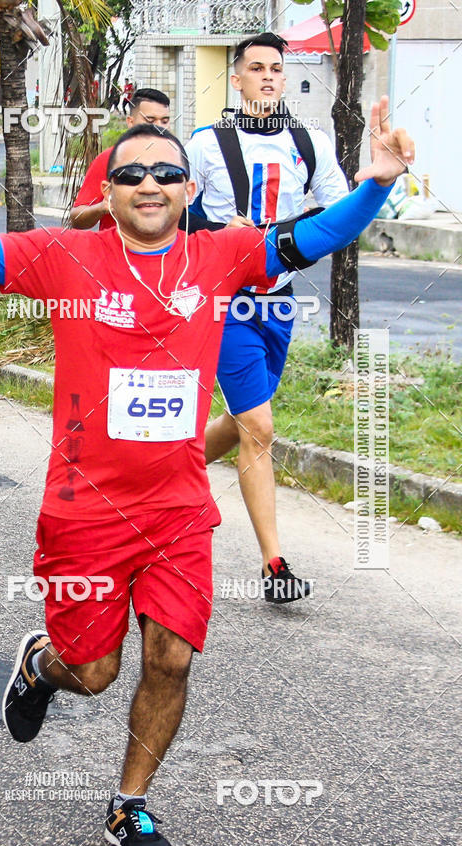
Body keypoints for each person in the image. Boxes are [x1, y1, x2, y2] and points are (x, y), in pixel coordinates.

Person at [0, 102, 412, 846]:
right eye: (131, 173)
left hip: (178, 509)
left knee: (171, 659)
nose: (149, 183)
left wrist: (375, 183)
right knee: (94, 671)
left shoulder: (223, 257)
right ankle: (43, 663)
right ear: (106, 191)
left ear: (188, 188)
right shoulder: (66, 257)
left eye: (167, 172)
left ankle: (128, 805)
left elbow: (315, 235)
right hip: (85, 511)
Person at [186, 33, 349, 602]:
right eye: (255, 68)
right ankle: (274, 563)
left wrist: (289, 234)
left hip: (277, 301)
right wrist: (217, 233)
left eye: (276, 69)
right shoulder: (206, 143)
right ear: (236, 78)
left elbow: (337, 209)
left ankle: (160, 468)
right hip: (223, 301)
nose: (267, 77)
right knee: (260, 428)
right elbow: (175, 217)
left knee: (244, 423)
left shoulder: (312, 141)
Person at [70, 87, 171, 231]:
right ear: (130, 122)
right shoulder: (110, 159)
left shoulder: (176, 160)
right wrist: (102, 207)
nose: (159, 127)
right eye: (150, 120)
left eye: (164, 121)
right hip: (115, 251)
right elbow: (76, 219)